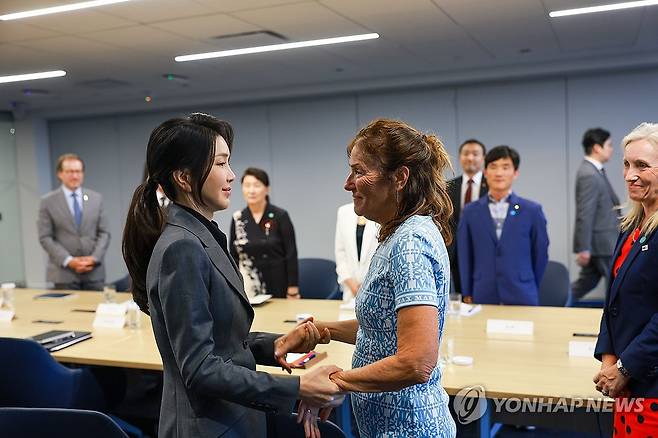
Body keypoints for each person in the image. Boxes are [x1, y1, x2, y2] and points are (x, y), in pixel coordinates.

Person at [122, 113, 342, 438]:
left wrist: (276, 344)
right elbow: (199, 367)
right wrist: (296, 386)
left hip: (231, 418)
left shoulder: (202, 235)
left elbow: (223, 343)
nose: (232, 175)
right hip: (206, 426)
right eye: (221, 164)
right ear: (184, 177)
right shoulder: (181, 247)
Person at [301, 119, 457, 437]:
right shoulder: (396, 234)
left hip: (410, 427)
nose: (348, 183)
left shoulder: (411, 243)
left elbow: (416, 362)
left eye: (359, 171)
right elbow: (384, 326)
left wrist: (336, 381)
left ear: (399, 178)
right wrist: (321, 332)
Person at [594, 122, 658, 436]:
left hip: (650, 381)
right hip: (625, 383)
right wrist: (609, 361)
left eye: (642, 166)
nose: (629, 174)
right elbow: (613, 301)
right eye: (626, 164)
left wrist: (625, 367)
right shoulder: (630, 225)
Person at [458, 146, 549, 305]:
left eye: (505, 167)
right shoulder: (470, 211)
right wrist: (467, 290)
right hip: (483, 293)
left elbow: (540, 254)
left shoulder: (532, 211)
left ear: (515, 173)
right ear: (485, 172)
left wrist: (528, 282)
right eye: (493, 167)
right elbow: (465, 254)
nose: (499, 173)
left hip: (522, 293)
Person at [38, 153, 110, 290]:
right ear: (60, 174)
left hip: (93, 273)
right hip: (63, 274)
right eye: (70, 172)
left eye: (78, 171)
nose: (75, 176)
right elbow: (45, 237)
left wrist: (94, 258)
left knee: (96, 310)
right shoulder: (47, 202)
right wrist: (69, 260)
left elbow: (104, 233)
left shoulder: (96, 198)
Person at [230, 168, 299, 299]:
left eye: (256, 185)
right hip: (248, 284)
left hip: (278, 283)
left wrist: (293, 288)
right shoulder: (238, 218)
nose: (251, 190)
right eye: (247, 185)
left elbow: (291, 253)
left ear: (267, 189)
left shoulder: (280, 215)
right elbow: (233, 256)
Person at [572, 128, 621, 301]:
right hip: (602, 244)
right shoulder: (589, 174)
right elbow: (585, 212)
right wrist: (583, 247)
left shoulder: (595, 171)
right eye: (609, 145)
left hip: (602, 242)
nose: (612, 149)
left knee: (585, 283)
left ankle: (554, 303)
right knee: (617, 287)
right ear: (596, 148)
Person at [446, 139, 488, 294]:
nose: (470, 158)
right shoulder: (449, 187)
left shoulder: (492, 187)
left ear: (483, 158)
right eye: (466, 154)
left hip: (484, 250)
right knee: (460, 296)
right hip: (456, 253)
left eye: (475, 154)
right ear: (460, 157)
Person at [334, 202, 378, 306]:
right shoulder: (344, 211)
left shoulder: (381, 210)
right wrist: (353, 286)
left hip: (375, 288)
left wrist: (366, 286)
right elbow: (340, 253)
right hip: (351, 289)